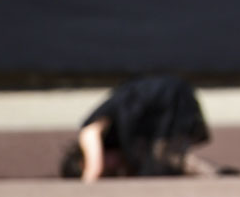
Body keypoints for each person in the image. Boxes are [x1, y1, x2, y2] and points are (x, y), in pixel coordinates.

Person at [59, 73, 224, 181]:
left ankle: (219, 179)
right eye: (110, 172)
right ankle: (219, 177)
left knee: (165, 161)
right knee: (169, 160)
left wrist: (84, 188)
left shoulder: (89, 133)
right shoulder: (131, 149)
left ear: (83, 157)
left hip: (163, 97)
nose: (111, 165)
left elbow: (95, 169)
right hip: (171, 101)